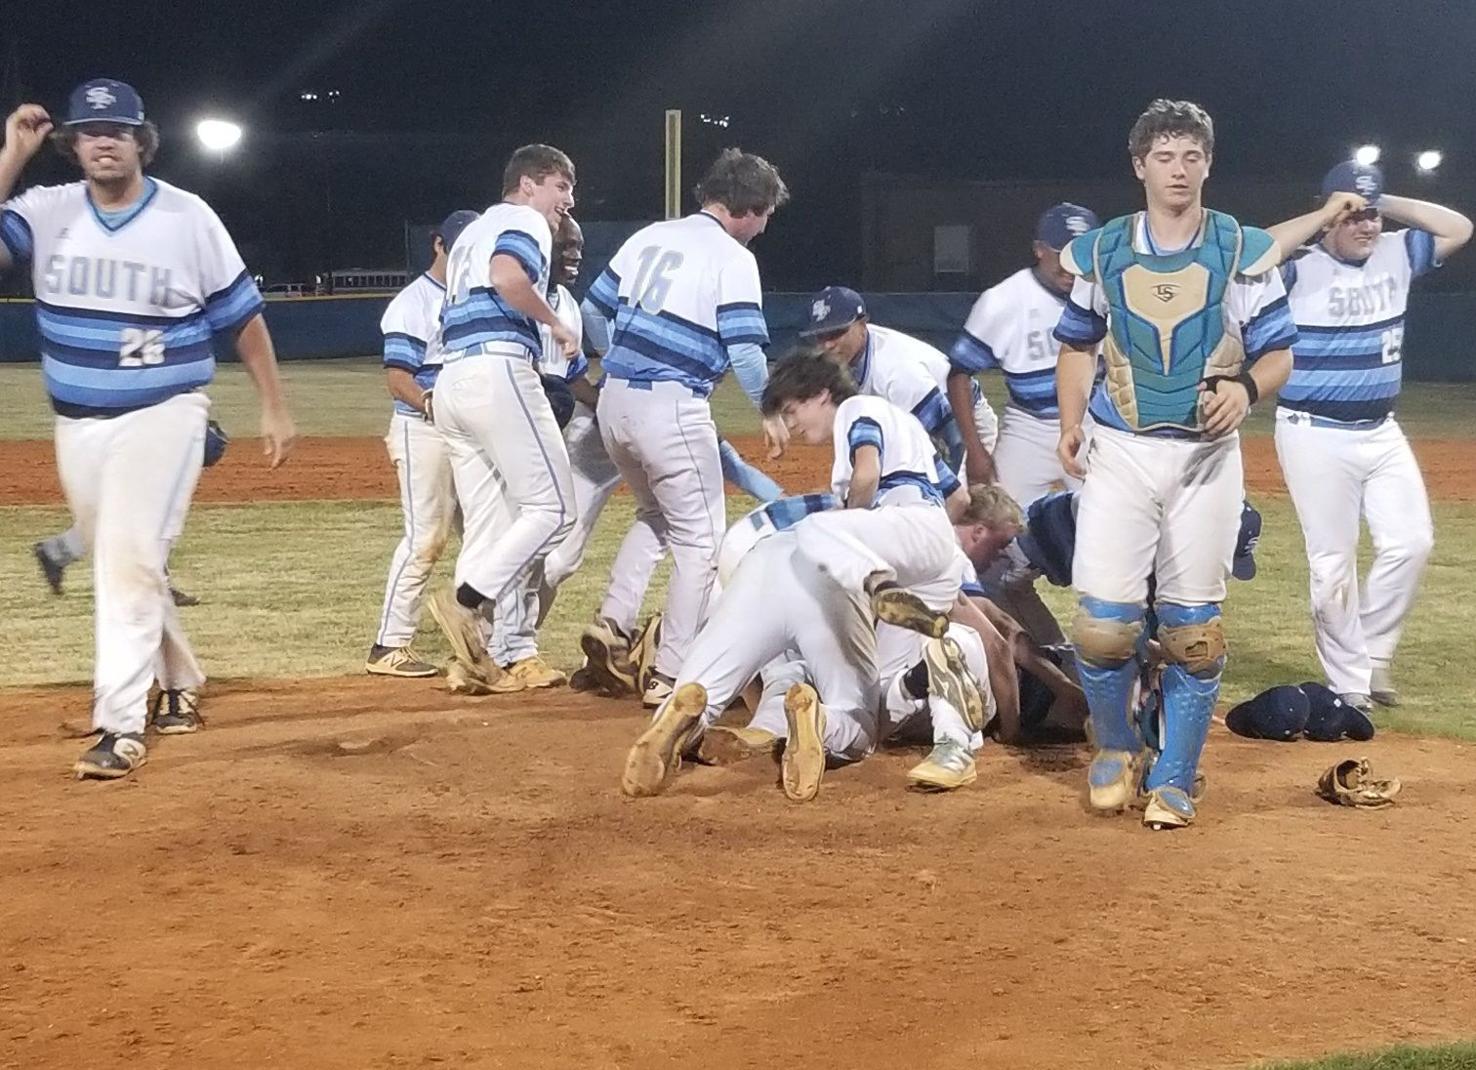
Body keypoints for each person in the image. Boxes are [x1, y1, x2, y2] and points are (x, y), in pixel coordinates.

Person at [0, 81, 296, 779]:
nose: (105, 140)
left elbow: (241, 318)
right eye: (91, 130)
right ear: (71, 144)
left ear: (142, 141)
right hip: (77, 425)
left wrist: (274, 403)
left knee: (126, 558)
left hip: (164, 411)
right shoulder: (45, 211)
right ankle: (182, 680)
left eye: (119, 129)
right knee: (121, 555)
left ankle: (119, 724)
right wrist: (10, 155)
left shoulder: (187, 217)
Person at [1052, 99, 1296, 829]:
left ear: (1209, 164)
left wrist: (1248, 388)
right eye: (1165, 155)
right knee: (1101, 626)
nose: (1179, 169)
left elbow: (1280, 351)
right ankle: (1118, 746)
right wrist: (1069, 423)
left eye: (1192, 155)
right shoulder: (1100, 251)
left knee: (1193, 630)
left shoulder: (1242, 249)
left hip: (1205, 458)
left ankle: (1178, 775)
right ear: (1139, 166)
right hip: (1120, 448)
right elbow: (1076, 344)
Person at [579, 149, 791, 707]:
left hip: (614, 403)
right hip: (671, 406)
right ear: (749, 207)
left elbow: (592, 311)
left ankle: (612, 624)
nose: (765, 227)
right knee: (701, 544)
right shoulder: (732, 257)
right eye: (766, 214)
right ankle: (673, 674)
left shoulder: (649, 235)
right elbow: (744, 350)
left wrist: (622, 356)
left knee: (656, 517)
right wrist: (769, 409)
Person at [1267, 162, 1471, 710]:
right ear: (1332, 215)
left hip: (1381, 430)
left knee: (1413, 541)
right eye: (1354, 216)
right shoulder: (1299, 267)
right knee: (1332, 563)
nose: (1366, 225)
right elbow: (1251, 253)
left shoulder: (1397, 251)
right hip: (1314, 433)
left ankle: (1374, 654)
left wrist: (1383, 199)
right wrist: (1326, 211)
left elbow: (1459, 227)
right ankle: (1350, 682)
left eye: (1372, 215)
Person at [423, 144, 579, 694]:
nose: (568, 200)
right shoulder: (523, 219)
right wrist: (555, 322)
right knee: (555, 509)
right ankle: (468, 604)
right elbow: (509, 276)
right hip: (497, 370)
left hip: (451, 381)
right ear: (529, 184)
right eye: (561, 186)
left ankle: (475, 660)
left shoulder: (471, 232)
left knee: (489, 526)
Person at [366, 209, 479, 679]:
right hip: (423, 430)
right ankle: (388, 645)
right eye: (457, 250)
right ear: (438, 245)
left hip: (468, 433)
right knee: (426, 538)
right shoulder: (413, 302)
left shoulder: (476, 298)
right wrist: (438, 405)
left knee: (483, 538)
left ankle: (481, 644)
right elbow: (398, 379)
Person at [950, 202, 1101, 502]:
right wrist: (976, 450)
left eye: (1081, 254)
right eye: (1062, 254)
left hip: (1092, 424)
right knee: (1000, 523)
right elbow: (958, 375)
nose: (1072, 265)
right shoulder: (1003, 301)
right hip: (1029, 427)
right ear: (1039, 250)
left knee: (1112, 522)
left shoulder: (1108, 291)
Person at [798, 285, 998, 476]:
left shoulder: (896, 372)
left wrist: (956, 487)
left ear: (862, 324)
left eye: (836, 333)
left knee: (970, 503)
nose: (828, 344)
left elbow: (952, 438)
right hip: (918, 423)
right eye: (821, 336)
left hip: (967, 427)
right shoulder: (845, 358)